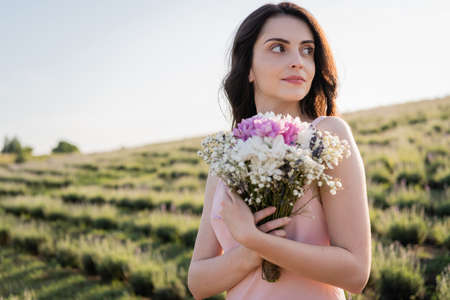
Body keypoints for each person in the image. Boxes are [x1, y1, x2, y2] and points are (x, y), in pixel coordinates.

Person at [187, 2, 371, 299]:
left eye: (307, 50)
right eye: (278, 48)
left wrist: (254, 240)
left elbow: (355, 272)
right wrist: (249, 253)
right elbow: (198, 282)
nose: (298, 60)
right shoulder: (227, 154)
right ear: (248, 67)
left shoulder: (327, 135)